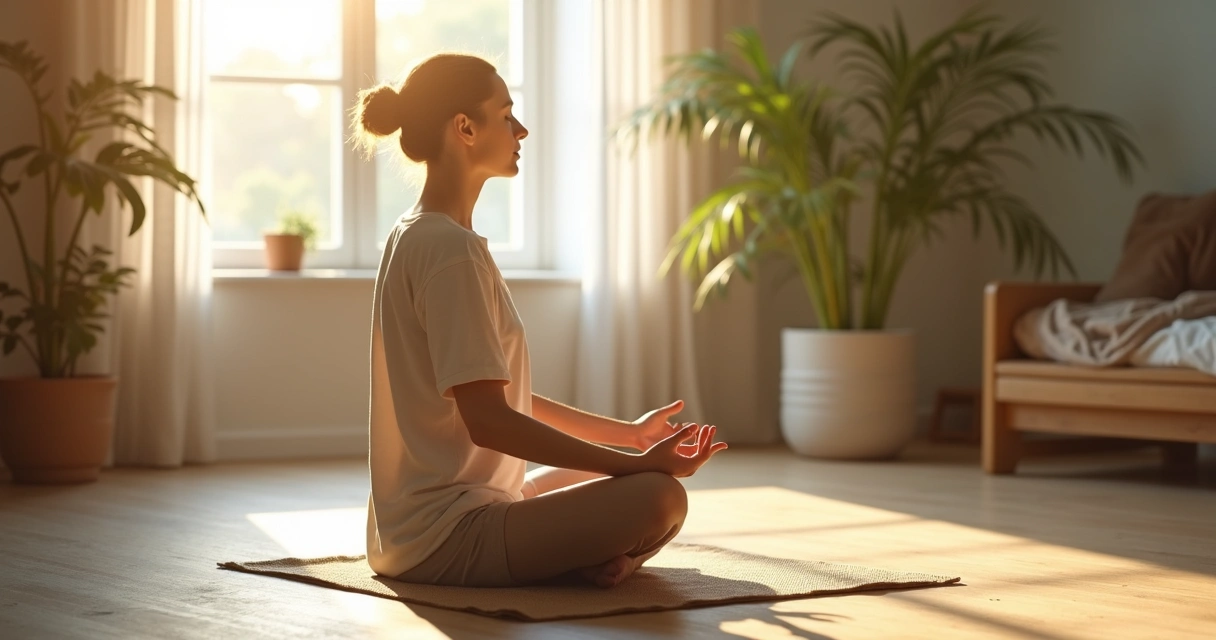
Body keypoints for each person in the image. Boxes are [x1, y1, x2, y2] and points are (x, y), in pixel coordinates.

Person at [352, 53, 728, 589]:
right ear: (465, 128)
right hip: (446, 535)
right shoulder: (449, 251)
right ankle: (597, 557)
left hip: (424, 525)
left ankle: (589, 554)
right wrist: (635, 468)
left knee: (622, 472)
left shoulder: (414, 233)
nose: (520, 129)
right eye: (506, 115)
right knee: (660, 495)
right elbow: (491, 422)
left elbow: (493, 400)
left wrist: (630, 439)